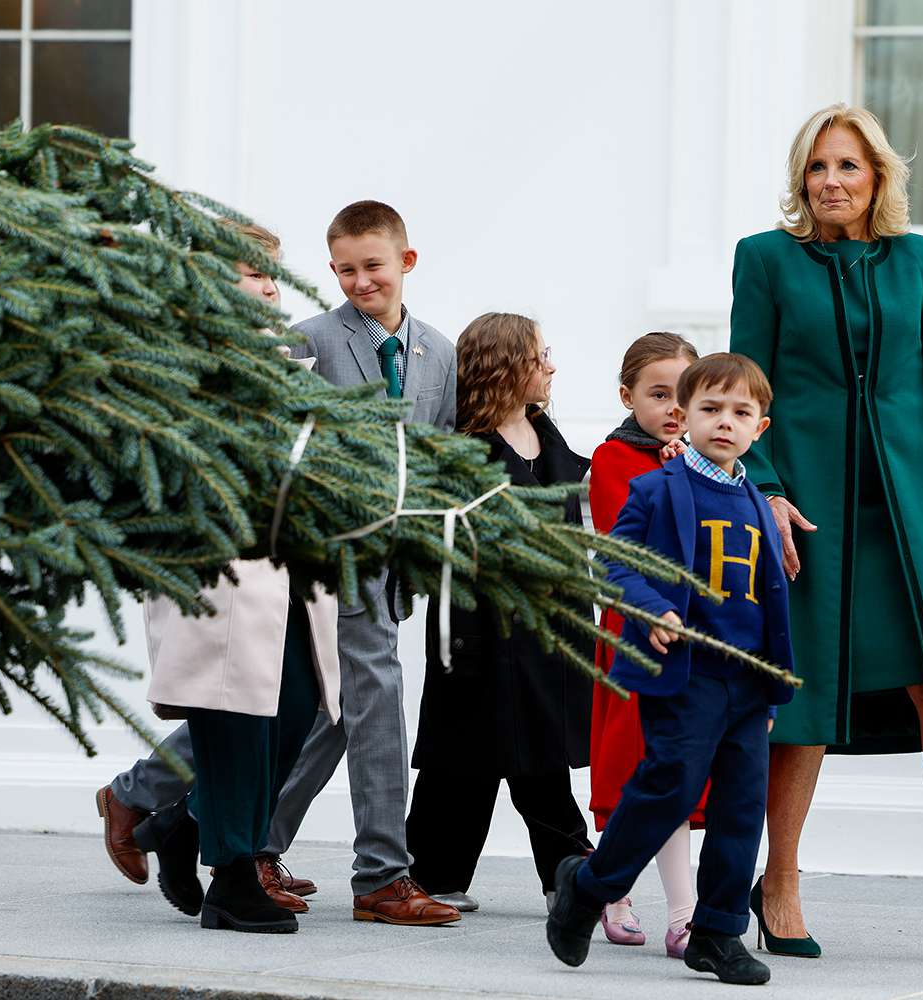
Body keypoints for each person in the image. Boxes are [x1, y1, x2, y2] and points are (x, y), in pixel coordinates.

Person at [729, 103, 923, 959]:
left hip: (910, 504)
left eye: (848, 166)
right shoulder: (765, 259)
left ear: (878, 175)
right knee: (805, 693)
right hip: (808, 505)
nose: (832, 182)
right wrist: (767, 487)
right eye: (818, 168)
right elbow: (749, 384)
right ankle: (779, 881)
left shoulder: (921, 261)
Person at [546, 353, 796, 987]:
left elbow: (768, 600)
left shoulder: (757, 504)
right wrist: (653, 605)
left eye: (741, 413)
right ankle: (590, 886)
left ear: (759, 428)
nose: (724, 422)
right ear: (684, 417)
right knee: (670, 789)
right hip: (683, 674)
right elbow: (613, 560)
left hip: (744, 681)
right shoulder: (659, 488)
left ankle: (715, 931)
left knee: (742, 808)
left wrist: (769, 686)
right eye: (710, 409)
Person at [95, 225, 324, 915]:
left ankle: (184, 823)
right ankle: (234, 873)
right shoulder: (179, 358)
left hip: (285, 564)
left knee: (297, 709)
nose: (268, 285)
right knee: (235, 714)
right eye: (252, 271)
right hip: (216, 566)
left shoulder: (284, 361)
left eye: (272, 273)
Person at [271, 199, 461, 926]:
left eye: (373, 266)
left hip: (393, 560)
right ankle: (382, 874)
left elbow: (437, 456)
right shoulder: (308, 342)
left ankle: (210, 819)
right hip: (330, 553)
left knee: (339, 708)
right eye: (345, 270)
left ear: (405, 263)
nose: (360, 281)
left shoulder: (438, 353)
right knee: (373, 694)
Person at [404, 313, 595, 913]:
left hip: (551, 624)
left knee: (524, 747)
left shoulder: (546, 432)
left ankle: (556, 873)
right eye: (541, 357)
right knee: (464, 756)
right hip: (480, 628)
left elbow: (586, 486)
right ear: (508, 366)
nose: (551, 367)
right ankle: (561, 873)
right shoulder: (465, 446)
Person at [587, 331, 700, 957]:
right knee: (635, 770)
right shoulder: (613, 459)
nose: (674, 408)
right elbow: (627, 548)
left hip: (689, 639)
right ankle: (614, 889)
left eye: (685, 393)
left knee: (676, 773)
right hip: (634, 637)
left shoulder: (703, 458)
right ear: (628, 396)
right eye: (659, 394)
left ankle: (683, 912)